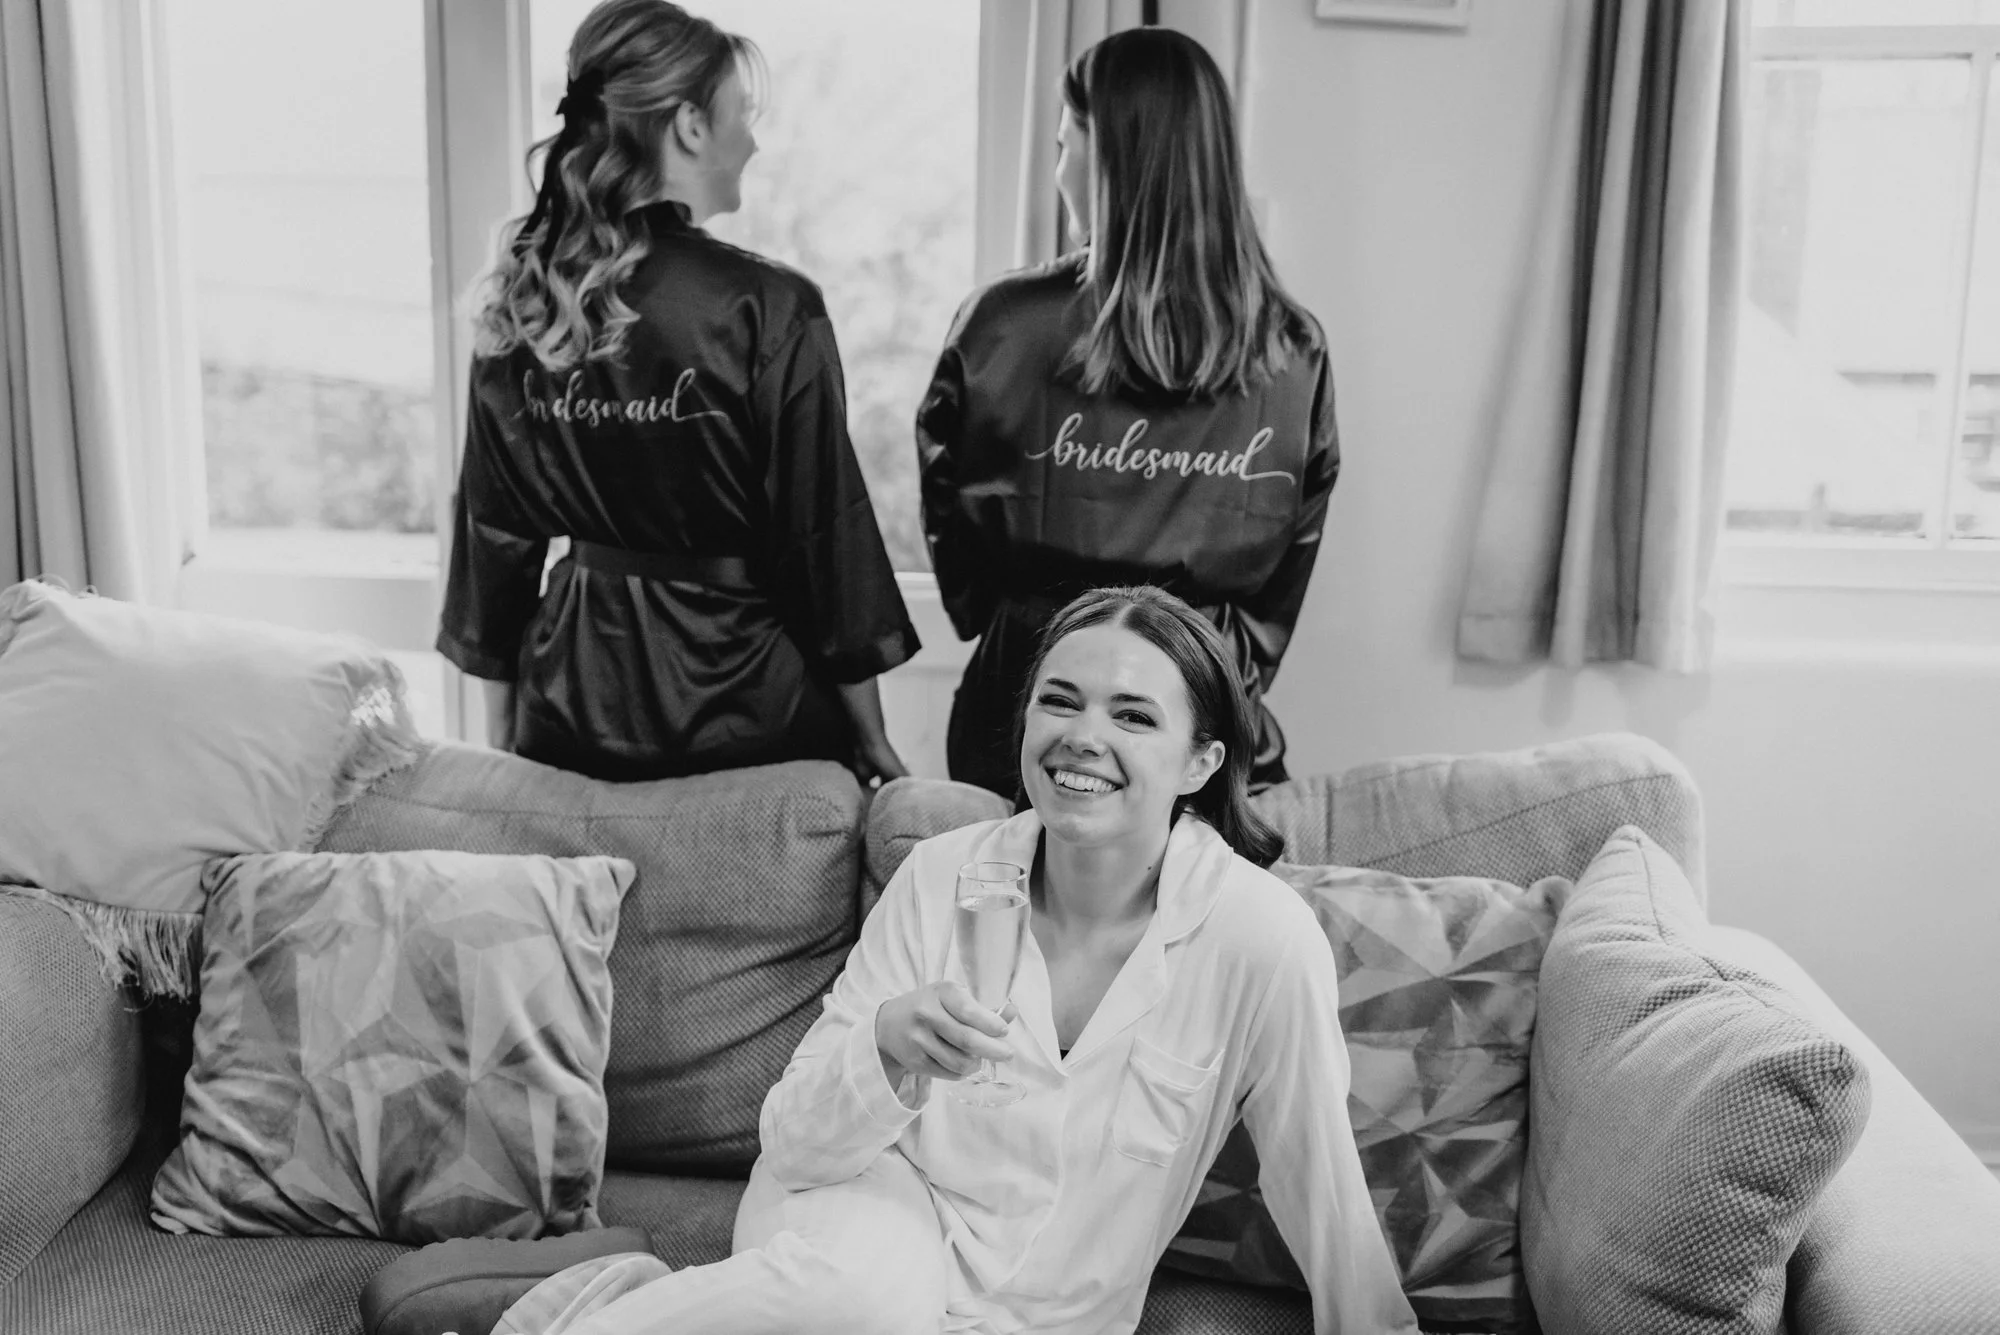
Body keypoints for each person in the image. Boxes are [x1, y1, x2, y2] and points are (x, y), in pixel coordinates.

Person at [482, 585, 1417, 1335]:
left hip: (1045, 1314)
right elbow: (798, 1141)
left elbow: (1318, 1182)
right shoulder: (942, 878)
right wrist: (884, 1047)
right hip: (864, 1204)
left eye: (1133, 715)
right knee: (872, 1300)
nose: (1083, 736)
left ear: (1201, 762)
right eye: (1060, 699)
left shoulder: (1259, 939)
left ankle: (617, 1295)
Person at [437, 0, 917, 784]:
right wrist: (870, 736)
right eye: (741, 114)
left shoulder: (526, 299)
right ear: (691, 125)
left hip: (571, 709)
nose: (753, 142)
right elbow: (823, 533)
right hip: (748, 713)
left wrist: (507, 731)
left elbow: (493, 536)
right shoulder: (769, 305)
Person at [918, 27, 1338, 800]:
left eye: (1060, 144)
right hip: (1197, 702)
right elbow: (1286, 567)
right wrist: (1213, 658)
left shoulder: (1002, 325)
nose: (1057, 172)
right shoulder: (1292, 348)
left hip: (1032, 694)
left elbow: (951, 504)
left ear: (1101, 151)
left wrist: (1013, 618)